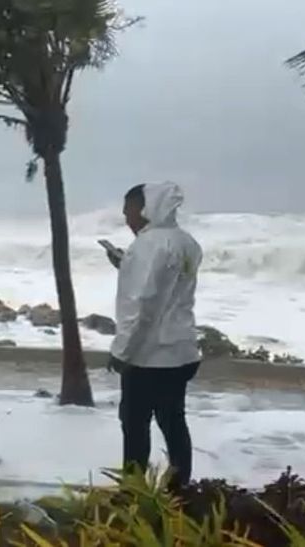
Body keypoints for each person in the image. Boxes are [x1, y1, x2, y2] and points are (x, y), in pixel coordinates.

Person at [105, 181, 202, 490]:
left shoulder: (147, 246)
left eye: (129, 211)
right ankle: (179, 489)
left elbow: (143, 307)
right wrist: (125, 265)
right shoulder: (187, 242)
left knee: (134, 425)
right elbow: (168, 286)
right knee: (174, 423)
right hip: (182, 350)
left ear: (146, 208)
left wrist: (122, 352)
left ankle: (134, 492)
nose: (127, 218)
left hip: (149, 355)